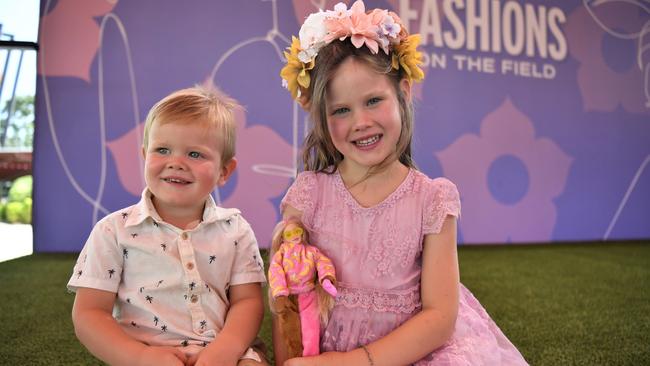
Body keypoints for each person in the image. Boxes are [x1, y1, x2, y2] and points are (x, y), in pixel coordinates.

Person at [274, 1, 529, 365]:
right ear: (321, 116)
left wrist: (353, 362)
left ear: (404, 92)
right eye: (341, 110)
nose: (360, 121)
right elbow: (290, 297)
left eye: (373, 100)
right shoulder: (307, 195)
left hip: (415, 353)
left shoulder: (433, 199)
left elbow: (439, 319)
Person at [68, 86, 268, 366]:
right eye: (162, 150)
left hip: (224, 348)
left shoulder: (235, 229)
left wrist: (224, 350)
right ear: (144, 155)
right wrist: (141, 356)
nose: (176, 163)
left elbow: (248, 302)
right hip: (144, 351)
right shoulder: (113, 231)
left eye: (195, 154)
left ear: (224, 171)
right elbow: (89, 314)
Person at [268, 218, 337, 359]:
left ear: (302, 232)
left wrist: (326, 279)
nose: (294, 236)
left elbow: (323, 262)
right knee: (291, 330)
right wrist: (280, 294)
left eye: (297, 231)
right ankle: (295, 358)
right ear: (282, 238)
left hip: (308, 294)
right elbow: (275, 272)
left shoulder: (311, 251)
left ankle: (310, 359)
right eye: (289, 234)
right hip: (289, 297)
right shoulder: (280, 255)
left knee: (311, 329)